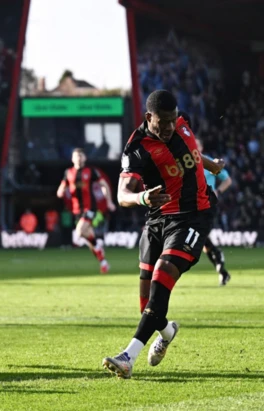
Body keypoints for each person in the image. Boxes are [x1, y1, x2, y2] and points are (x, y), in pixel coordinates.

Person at [102, 90, 224, 379]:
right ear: (148, 118)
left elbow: (191, 152)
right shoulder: (136, 149)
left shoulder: (182, 124)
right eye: (163, 121)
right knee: (146, 302)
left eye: (173, 119)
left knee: (163, 274)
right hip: (157, 219)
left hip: (195, 216)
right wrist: (143, 198)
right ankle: (167, 331)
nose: (170, 126)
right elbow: (122, 195)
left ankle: (128, 356)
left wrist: (211, 165)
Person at [57, 148, 116, 273]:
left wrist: (109, 201)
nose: (78, 158)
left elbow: (104, 185)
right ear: (72, 158)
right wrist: (60, 192)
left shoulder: (91, 171)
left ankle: (97, 246)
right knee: (89, 240)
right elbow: (61, 188)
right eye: (76, 156)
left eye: (80, 156)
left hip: (90, 208)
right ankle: (103, 262)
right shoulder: (68, 172)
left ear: (84, 158)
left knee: (79, 232)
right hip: (76, 210)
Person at [196, 137, 233, 286]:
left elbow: (228, 180)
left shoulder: (209, 163)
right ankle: (222, 270)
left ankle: (219, 258)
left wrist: (218, 190)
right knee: (204, 244)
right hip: (194, 206)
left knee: (201, 237)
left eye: (196, 144)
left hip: (209, 205)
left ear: (201, 147)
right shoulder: (188, 164)